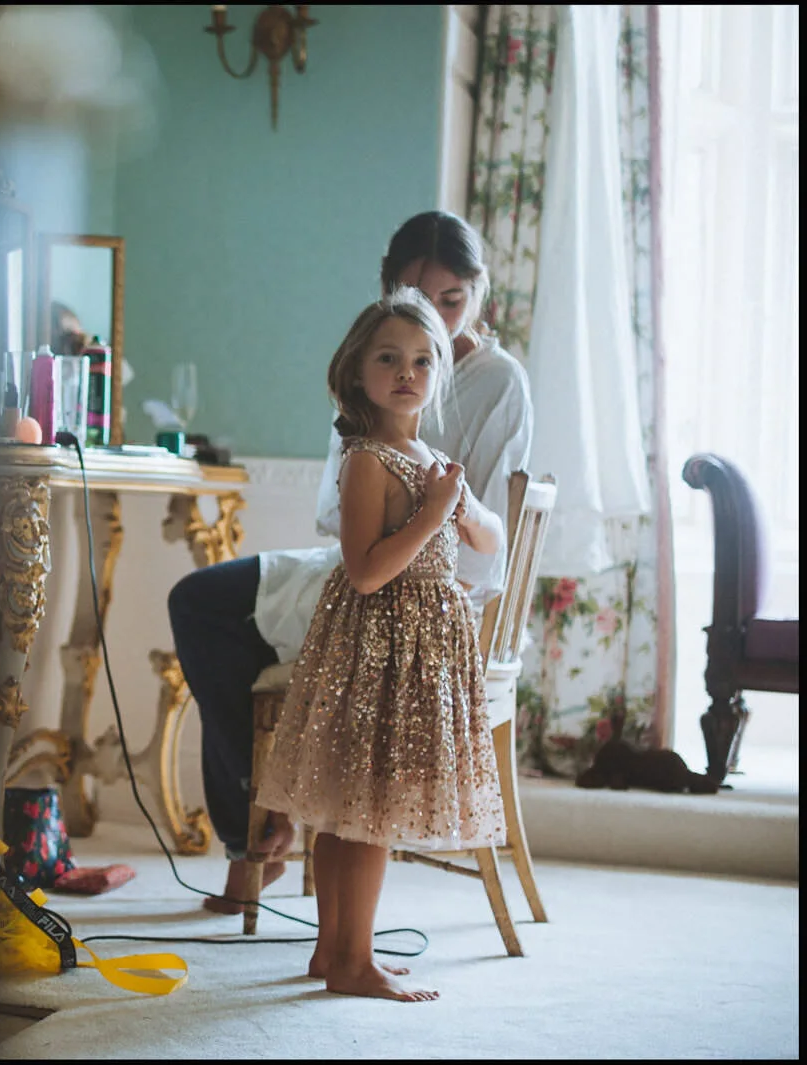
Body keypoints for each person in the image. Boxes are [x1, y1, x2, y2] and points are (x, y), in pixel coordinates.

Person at [167, 210, 533, 914]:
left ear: (479, 293)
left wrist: (448, 516)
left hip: (437, 593)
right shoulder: (377, 385)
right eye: (413, 300)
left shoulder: (492, 383)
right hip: (372, 570)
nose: (428, 328)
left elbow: (487, 540)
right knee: (204, 606)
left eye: (450, 302)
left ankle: (266, 824)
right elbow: (348, 534)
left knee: (220, 621)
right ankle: (264, 820)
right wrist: (418, 515)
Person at [252, 287, 506, 1001]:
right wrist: (431, 516)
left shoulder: (429, 456)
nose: (406, 372)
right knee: (366, 815)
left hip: (414, 649)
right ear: (357, 371)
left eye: (423, 360)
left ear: (440, 373)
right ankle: (355, 961)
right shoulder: (367, 458)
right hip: (378, 649)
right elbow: (365, 571)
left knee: (353, 811)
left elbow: (491, 538)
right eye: (388, 358)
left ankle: (333, 952)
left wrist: (462, 506)